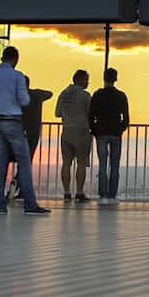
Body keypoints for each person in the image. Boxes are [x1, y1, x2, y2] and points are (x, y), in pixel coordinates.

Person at [0, 46, 49, 215]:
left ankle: (0, 205)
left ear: (2, 57)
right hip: (13, 122)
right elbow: (25, 100)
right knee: (24, 163)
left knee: (0, 163)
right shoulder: (17, 76)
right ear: (15, 59)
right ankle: (30, 204)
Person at [88, 67, 129, 206]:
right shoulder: (121, 96)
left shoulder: (97, 95)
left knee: (102, 164)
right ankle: (112, 195)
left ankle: (103, 195)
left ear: (104, 78)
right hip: (115, 134)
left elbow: (91, 115)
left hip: (101, 133)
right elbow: (126, 117)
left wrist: (94, 130)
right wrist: (120, 129)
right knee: (115, 165)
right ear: (115, 79)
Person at [10, 76, 53, 201]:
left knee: (21, 160)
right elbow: (49, 93)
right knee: (27, 161)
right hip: (33, 133)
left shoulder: (17, 97)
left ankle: (18, 182)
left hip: (19, 132)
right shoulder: (36, 95)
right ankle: (20, 186)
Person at [55, 70, 92, 202]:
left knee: (66, 163)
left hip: (66, 131)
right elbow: (91, 113)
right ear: (81, 80)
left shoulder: (63, 94)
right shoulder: (85, 95)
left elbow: (57, 113)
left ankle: (66, 193)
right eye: (87, 79)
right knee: (81, 164)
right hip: (81, 131)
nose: (88, 82)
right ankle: (79, 193)